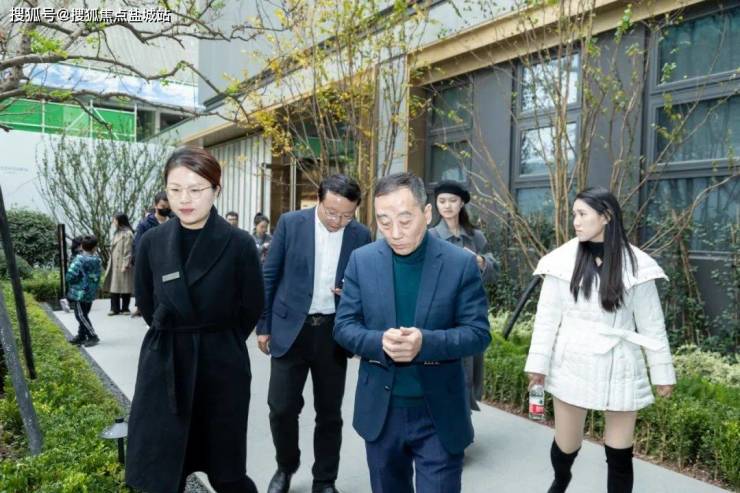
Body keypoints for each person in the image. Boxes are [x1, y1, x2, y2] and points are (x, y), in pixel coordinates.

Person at [333, 172, 491, 493]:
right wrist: (378, 341)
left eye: (405, 220)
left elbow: (477, 333)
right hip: (381, 411)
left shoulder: (459, 263)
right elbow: (344, 326)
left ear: (427, 213)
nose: (395, 232)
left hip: (439, 412)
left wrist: (425, 343)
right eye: (384, 221)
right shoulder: (362, 261)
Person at [125, 147, 264, 493]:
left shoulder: (239, 243)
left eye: (196, 189)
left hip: (221, 363)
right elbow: (146, 301)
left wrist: (219, 339)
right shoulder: (152, 241)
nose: (184, 199)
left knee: (226, 470)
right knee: (162, 468)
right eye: (175, 190)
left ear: (216, 189)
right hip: (165, 360)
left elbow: (251, 305)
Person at [524, 187, 676, 493]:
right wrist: (537, 366)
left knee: (620, 454)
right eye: (574, 214)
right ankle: (561, 479)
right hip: (572, 361)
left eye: (582, 214)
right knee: (567, 444)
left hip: (621, 363)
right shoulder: (560, 261)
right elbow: (546, 320)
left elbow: (652, 325)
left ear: (606, 217)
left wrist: (662, 373)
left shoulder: (638, 265)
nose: (576, 221)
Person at [257, 174, 372, 493]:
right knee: (281, 408)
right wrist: (264, 326)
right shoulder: (291, 224)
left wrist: (352, 293)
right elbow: (269, 275)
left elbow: (368, 285)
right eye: (331, 212)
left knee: (329, 413)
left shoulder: (361, 235)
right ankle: (285, 466)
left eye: (346, 215)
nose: (337, 221)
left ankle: (324, 479)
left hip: (332, 334)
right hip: (290, 330)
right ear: (318, 200)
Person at [428, 179, 498, 411]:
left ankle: (462, 419)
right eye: (442, 201)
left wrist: (481, 262)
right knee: (445, 371)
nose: (447, 206)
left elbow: (494, 270)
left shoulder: (476, 237)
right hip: (442, 314)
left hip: (471, 312)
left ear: (461, 204)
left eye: (452, 200)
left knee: (468, 369)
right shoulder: (430, 237)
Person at [132, 191, 171, 318]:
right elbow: (138, 245)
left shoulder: (174, 222)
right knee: (153, 290)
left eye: (168, 207)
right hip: (151, 262)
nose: (165, 209)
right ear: (155, 205)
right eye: (162, 206)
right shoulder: (145, 224)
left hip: (169, 262)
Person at [66, 235, 102, 347]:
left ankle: (92, 336)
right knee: (84, 314)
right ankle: (81, 335)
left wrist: (73, 283)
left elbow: (70, 275)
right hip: (90, 291)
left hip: (79, 292)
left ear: (81, 246)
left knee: (80, 315)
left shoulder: (79, 259)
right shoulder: (97, 260)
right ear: (95, 248)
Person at [103, 212, 134, 315]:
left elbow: (128, 250)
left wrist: (126, 264)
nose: (113, 222)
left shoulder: (128, 233)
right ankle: (114, 308)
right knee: (114, 286)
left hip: (123, 263)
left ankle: (125, 308)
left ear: (120, 221)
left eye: (115, 220)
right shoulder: (116, 233)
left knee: (125, 286)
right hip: (114, 263)